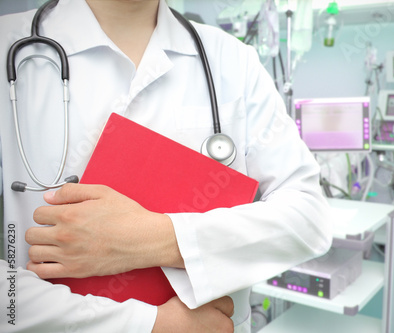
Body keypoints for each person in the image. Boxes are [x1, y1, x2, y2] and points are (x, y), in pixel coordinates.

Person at [0, 0, 333, 332]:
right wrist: (152, 325)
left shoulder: (232, 60)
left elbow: (308, 219)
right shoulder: (6, 42)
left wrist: (154, 239)